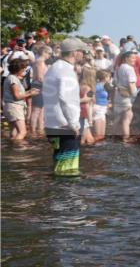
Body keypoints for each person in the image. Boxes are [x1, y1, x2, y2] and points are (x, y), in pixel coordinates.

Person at [43, 38, 86, 176]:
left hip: (52, 123)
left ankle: (58, 193)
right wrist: (73, 124)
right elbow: (66, 99)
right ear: (74, 53)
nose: (83, 54)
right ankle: (67, 196)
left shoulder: (55, 67)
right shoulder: (66, 70)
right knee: (68, 168)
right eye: (82, 51)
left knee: (59, 161)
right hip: (65, 125)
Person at [4, 58, 38, 140]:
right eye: (23, 68)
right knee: (22, 132)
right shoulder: (13, 79)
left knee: (14, 132)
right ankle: (18, 149)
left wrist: (29, 91)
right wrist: (30, 93)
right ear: (18, 69)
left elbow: (17, 94)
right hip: (14, 107)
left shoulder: (11, 77)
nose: (24, 70)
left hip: (10, 106)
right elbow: (16, 96)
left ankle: (11, 149)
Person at [114, 50, 139, 139]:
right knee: (126, 120)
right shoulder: (129, 68)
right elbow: (131, 84)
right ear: (126, 58)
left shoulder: (120, 67)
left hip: (119, 95)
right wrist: (135, 98)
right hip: (127, 97)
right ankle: (126, 140)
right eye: (132, 58)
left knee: (118, 120)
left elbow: (115, 82)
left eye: (135, 58)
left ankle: (114, 139)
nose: (134, 59)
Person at [92, 69, 111, 141]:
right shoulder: (98, 85)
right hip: (98, 108)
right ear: (104, 77)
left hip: (103, 109)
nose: (109, 78)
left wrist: (108, 103)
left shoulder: (105, 86)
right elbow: (90, 93)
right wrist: (93, 100)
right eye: (108, 76)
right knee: (97, 135)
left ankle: (99, 149)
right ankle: (93, 149)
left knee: (102, 135)